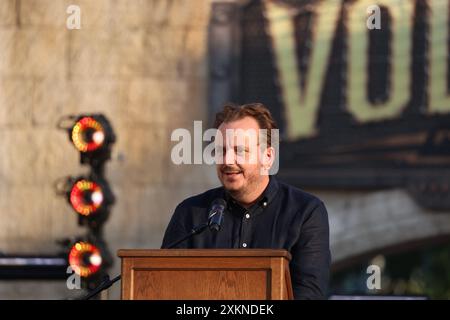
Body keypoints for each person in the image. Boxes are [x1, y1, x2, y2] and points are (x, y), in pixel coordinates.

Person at [162, 103, 331, 299]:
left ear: (267, 157)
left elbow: (309, 294)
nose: (227, 160)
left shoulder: (306, 212)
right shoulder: (190, 213)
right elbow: (165, 286)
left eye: (239, 150)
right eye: (221, 150)